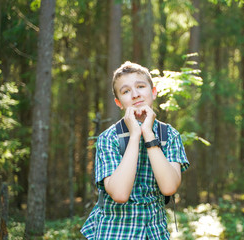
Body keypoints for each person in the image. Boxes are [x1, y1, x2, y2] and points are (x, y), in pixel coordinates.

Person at [81, 61, 189, 239]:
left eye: (140, 86)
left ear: (153, 92)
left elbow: (169, 187)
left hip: (155, 233)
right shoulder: (108, 139)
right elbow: (120, 194)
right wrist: (134, 136)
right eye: (126, 91)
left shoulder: (169, 135)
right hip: (115, 233)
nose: (135, 94)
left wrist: (148, 133)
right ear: (119, 102)